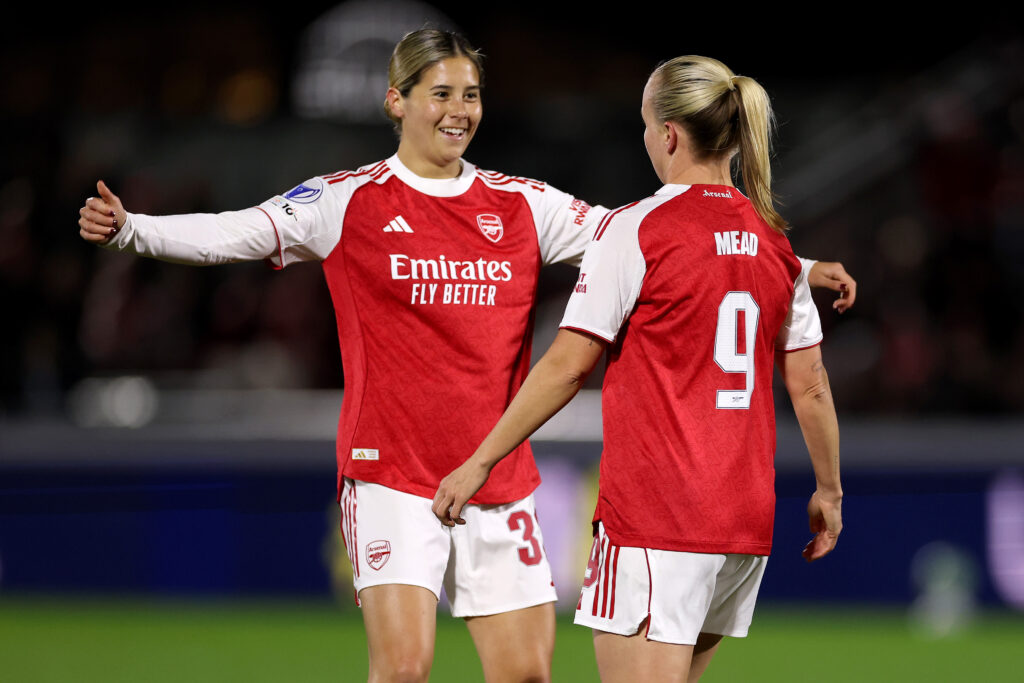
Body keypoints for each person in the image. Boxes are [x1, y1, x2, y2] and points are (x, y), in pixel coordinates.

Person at [79, 30, 850, 683]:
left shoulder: (521, 204)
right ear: (396, 101)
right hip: (392, 472)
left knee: (525, 673)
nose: (460, 111)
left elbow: (667, 237)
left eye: (471, 95)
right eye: (441, 93)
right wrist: (132, 229)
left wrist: (800, 266)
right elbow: (237, 231)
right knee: (407, 665)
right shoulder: (352, 200)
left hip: (496, 479)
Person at [432, 55, 843, 682]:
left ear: (671, 134)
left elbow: (569, 367)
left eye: (647, 125)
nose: (646, 138)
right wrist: (828, 492)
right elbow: (810, 385)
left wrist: (480, 460)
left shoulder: (638, 230)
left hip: (661, 519)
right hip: (742, 525)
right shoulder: (775, 243)